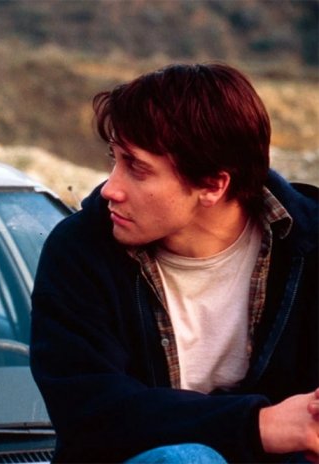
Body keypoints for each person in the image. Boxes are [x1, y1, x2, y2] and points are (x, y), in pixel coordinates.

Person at [29, 63, 318, 462]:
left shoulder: (309, 245)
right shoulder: (80, 250)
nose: (110, 188)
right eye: (115, 159)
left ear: (213, 185)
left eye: (137, 168)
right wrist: (257, 425)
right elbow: (89, 412)